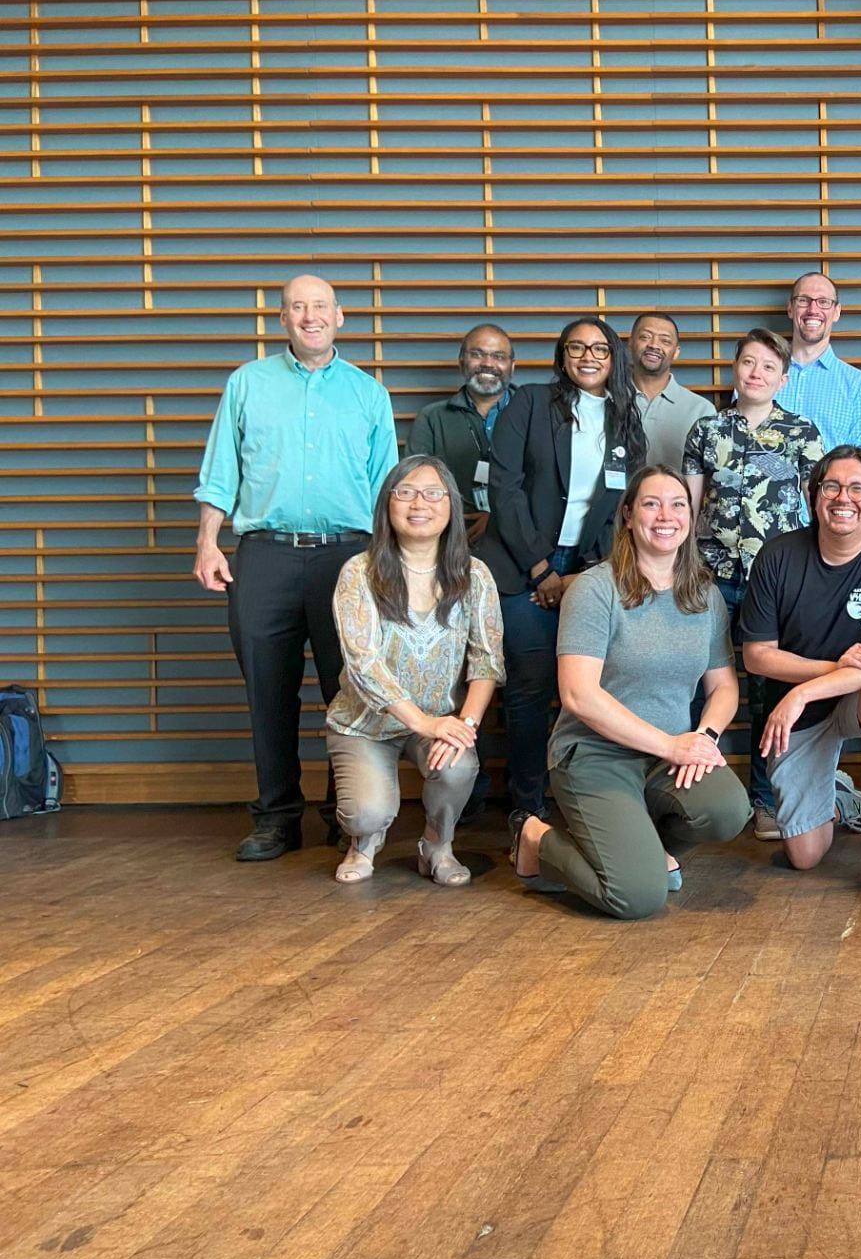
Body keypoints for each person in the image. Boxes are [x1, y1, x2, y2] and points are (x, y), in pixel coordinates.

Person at [193, 273, 397, 861]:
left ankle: (347, 814)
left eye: (320, 306)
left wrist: (390, 565)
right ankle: (277, 817)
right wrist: (208, 544)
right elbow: (220, 473)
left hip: (351, 558)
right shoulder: (247, 384)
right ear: (281, 319)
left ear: (341, 317)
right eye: (296, 307)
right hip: (264, 554)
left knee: (351, 690)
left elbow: (388, 487)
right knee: (268, 690)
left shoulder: (368, 394)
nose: (309, 316)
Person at [510, 468, 750, 918]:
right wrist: (672, 746)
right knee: (637, 897)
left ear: (691, 516)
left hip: (668, 755)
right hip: (596, 753)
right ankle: (537, 839)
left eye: (678, 504)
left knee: (727, 810)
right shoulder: (595, 589)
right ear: (628, 514)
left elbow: (723, 686)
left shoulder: (704, 594)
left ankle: (639, 845)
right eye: (651, 503)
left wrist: (706, 739)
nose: (666, 515)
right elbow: (578, 695)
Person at [476, 316, 646, 830]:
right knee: (529, 683)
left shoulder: (625, 417)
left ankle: (586, 799)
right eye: (577, 348)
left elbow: (622, 504)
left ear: (615, 358)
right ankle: (527, 806)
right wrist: (542, 568)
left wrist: (588, 571)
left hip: (589, 571)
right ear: (561, 356)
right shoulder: (528, 403)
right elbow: (504, 489)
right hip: (521, 566)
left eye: (599, 349)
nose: (588, 356)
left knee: (592, 685)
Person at [740, 448, 861, 904]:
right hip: (804, 711)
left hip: (856, 697)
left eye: (858, 488)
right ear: (814, 496)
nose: (844, 497)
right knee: (804, 855)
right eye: (832, 486)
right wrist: (824, 676)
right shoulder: (778, 556)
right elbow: (757, 656)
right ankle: (841, 800)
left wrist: (804, 692)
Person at [325, 455, 503, 885]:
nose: (418, 503)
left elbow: (487, 661)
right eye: (404, 492)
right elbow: (363, 663)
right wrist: (423, 722)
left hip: (441, 721)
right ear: (387, 504)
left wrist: (465, 724)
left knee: (459, 765)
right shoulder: (359, 572)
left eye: (432, 493)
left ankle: (437, 845)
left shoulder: (474, 575)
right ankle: (364, 842)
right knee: (367, 812)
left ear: (451, 507)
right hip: (366, 724)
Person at [682, 327, 829, 837]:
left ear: (783, 378)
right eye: (748, 362)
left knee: (770, 692)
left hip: (778, 580)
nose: (756, 373)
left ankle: (768, 800)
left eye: (768, 366)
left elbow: (817, 509)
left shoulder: (803, 434)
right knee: (706, 685)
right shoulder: (707, 430)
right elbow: (691, 505)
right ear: (735, 370)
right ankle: (701, 792)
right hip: (714, 574)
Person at [405, 322, 518, 543]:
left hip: (520, 539)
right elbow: (416, 486)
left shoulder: (535, 414)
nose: (488, 363)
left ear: (512, 367)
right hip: (451, 537)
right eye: (477, 354)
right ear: (461, 362)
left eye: (499, 356)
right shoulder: (431, 418)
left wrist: (497, 518)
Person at [777, 272, 861, 450]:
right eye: (803, 300)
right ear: (790, 309)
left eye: (823, 302)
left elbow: (860, 463)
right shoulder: (757, 376)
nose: (813, 309)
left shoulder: (859, 386)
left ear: (837, 312)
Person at [629, 310, 714, 471]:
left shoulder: (701, 410)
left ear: (676, 352)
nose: (654, 345)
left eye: (665, 341)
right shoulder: (607, 399)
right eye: (645, 337)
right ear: (630, 343)